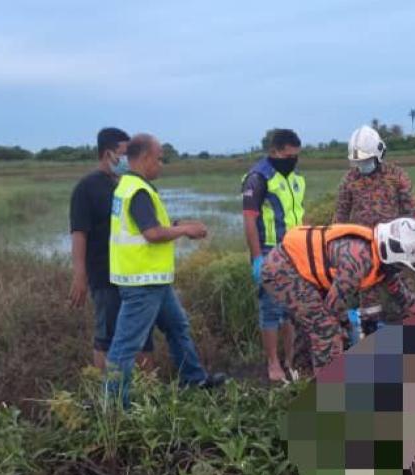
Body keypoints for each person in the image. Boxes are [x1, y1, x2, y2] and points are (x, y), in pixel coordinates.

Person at [104, 134, 227, 407]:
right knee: (125, 345)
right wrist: (185, 230)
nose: (161, 164)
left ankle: (194, 380)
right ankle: (112, 407)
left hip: (154, 280)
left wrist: (180, 222)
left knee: (177, 327)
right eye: (159, 158)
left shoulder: (130, 186)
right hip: (142, 282)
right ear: (146, 157)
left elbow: (148, 224)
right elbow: (152, 233)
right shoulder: (137, 190)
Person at [260, 217, 415, 373]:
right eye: (402, 266)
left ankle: (302, 374)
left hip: (303, 274)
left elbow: (405, 298)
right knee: (326, 329)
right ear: (394, 253)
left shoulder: (381, 262)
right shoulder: (359, 260)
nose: (401, 270)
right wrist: (345, 329)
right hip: (283, 270)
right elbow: (332, 307)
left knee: (316, 325)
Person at [67, 127, 154, 368]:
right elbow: (79, 234)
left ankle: (147, 398)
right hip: (104, 275)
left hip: (134, 275)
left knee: (143, 338)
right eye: (125, 153)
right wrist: (80, 275)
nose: (130, 159)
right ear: (109, 154)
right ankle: (106, 396)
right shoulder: (86, 188)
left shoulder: (130, 184)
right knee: (106, 338)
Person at [334, 126, 415, 329]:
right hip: (363, 249)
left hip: (395, 247)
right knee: (369, 302)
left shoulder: (396, 176)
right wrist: (336, 244)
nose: (363, 165)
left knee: (405, 295)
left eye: (366, 160)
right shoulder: (349, 180)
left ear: (379, 153)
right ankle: (372, 336)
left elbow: (410, 211)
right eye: (359, 162)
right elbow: (341, 214)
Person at [242, 129, 304, 383]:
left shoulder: (294, 178)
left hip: (295, 249)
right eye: (289, 155)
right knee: (270, 309)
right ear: (275, 152)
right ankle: (273, 363)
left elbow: (298, 214)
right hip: (269, 250)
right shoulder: (258, 178)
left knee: (291, 308)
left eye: (296, 156)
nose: (293, 160)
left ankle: (291, 360)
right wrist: (257, 259)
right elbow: (249, 220)